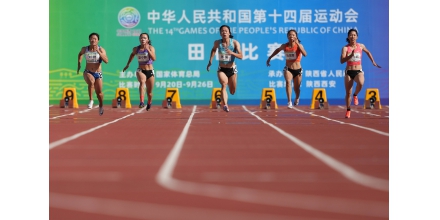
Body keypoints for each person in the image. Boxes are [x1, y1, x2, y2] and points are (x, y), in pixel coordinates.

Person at [340, 29, 381, 118]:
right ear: (348, 37)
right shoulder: (345, 48)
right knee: (348, 93)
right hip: (349, 72)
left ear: (357, 37)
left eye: (354, 35)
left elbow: (368, 52)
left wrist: (373, 62)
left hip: (358, 70)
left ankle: (356, 94)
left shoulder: (361, 46)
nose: (353, 37)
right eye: (351, 35)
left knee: (361, 83)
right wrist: (350, 56)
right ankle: (348, 110)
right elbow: (342, 60)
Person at [266, 29, 307, 108]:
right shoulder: (285, 46)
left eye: (293, 35)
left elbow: (305, 54)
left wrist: (298, 44)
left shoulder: (299, 45)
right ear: (287, 36)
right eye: (290, 35)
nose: (291, 36)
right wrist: (270, 58)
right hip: (288, 69)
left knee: (296, 88)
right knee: (288, 82)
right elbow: (277, 50)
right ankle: (289, 102)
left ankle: (297, 97)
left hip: (298, 70)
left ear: (296, 36)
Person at [207, 25, 243, 112]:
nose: (224, 32)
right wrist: (210, 61)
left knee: (232, 91)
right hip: (222, 69)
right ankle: (225, 105)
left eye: (226, 31)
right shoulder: (217, 43)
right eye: (222, 31)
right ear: (220, 33)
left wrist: (232, 53)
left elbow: (241, 56)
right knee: (224, 84)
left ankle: (227, 99)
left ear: (229, 33)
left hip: (232, 70)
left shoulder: (235, 43)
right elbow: (213, 50)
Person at [123, 33, 156, 111]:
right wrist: (128, 64)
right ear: (139, 39)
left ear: (147, 40)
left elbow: (154, 58)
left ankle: (149, 101)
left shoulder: (151, 48)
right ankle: (141, 102)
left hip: (150, 71)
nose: (143, 39)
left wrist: (147, 49)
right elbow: (132, 55)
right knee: (142, 82)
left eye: (144, 38)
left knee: (150, 93)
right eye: (141, 38)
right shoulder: (136, 49)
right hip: (140, 70)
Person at [77, 32, 108, 115]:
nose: (93, 40)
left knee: (100, 93)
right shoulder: (85, 49)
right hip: (88, 72)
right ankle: (91, 100)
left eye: (95, 39)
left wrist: (99, 52)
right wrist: (79, 64)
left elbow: (106, 61)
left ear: (98, 40)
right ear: (89, 40)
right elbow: (80, 54)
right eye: (91, 38)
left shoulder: (101, 49)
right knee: (91, 81)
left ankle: (101, 105)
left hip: (98, 73)